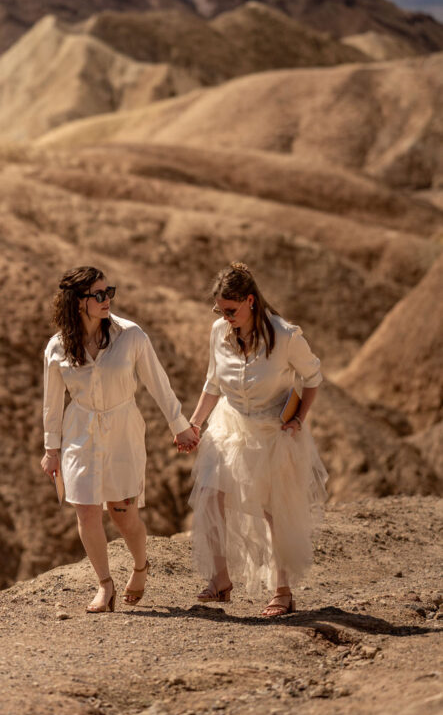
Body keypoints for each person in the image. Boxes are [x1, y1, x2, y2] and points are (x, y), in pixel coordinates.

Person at [41, 266, 198, 613]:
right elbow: (52, 403)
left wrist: (180, 425)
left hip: (123, 431)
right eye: (98, 295)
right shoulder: (57, 347)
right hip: (80, 432)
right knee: (86, 511)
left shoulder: (131, 336)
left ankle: (141, 567)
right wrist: (51, 449)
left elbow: (158, 383)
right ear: (78, 301)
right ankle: (105, 585)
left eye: (109, 291)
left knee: (122, 514)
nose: (107, 299)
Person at [187, 262, 327, 617]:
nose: (225, 316)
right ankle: (220, 581)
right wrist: (194, 424)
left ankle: (282, 590)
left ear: (250, 301)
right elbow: (212, 384)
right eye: (220, 310)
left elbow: (313, 377)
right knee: (208, 495)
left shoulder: (285, 336)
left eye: (231, 310)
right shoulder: (219, 332)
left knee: (272, 510)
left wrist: (298, 418)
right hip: (229, 427)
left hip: (273, 432)